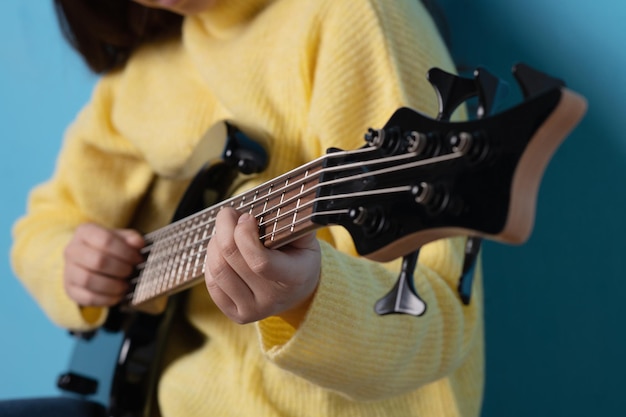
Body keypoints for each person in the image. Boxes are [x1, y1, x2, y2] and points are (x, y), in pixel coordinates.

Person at [8, 0, 484, 416]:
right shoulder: (138, 77)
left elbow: (440, 316)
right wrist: (71, 263)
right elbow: (43, 226)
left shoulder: (354, 17)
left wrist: (309, 299)